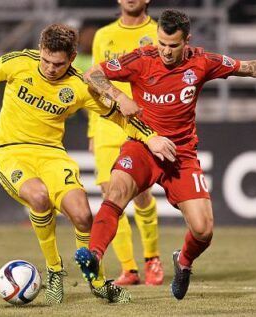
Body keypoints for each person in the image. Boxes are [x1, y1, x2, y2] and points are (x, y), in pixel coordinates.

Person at [0, 23, 176, 304]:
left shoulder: (80, 85)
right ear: (40, 50)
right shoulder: (19, 63)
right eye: (45, 59)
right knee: (38, 196)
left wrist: (151, 137)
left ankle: (96, 282)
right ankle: (55, 269)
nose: (49, 68)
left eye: (58, 64)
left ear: (71, 59)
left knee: (83, 215)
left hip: (52, 155)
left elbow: (119, 117)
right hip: (11, 152)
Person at [75, 9, 256, 300]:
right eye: (162, 43)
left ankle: (183, 261)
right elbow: (92, 74)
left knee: (203, 230)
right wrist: (120, 96)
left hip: (181, 155)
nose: (166, 51)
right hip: (144, 146)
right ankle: (93, 256)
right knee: (117, 190)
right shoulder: (141, 58)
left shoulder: (202, 61)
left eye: (173, 45)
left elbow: (250, 68)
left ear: (187, 40)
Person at [87, 0, 163, 286]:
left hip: (142, 125)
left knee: (141, 195)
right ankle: (129, 269)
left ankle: (151, 258)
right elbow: (94, 83)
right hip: (107, 125)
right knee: (111, 198)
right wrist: (94, 131)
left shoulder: (158, 34)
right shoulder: (103, 35)